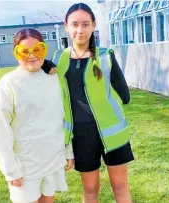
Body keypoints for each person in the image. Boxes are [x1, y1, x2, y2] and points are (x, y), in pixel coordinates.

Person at [51, 3, 134, 203]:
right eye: (75, 24)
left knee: (120, 186)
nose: (80, 30)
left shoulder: (106, 56)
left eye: (86, 24)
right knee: (90, 190)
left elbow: (125, 95)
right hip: (81, 135)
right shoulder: (56, 60)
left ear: (94, 26)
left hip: (113, 132)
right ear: (66, 26)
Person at [0, 28, 74, 203]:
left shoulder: (55, 78)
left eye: (37, 49)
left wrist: (68, 151)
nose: (31, 56)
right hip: (24, 164)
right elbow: (1, 130)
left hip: (53, 157)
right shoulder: (8, 83)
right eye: (24, 51)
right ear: (15, 53)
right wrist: (10, 169)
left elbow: (64, 118)